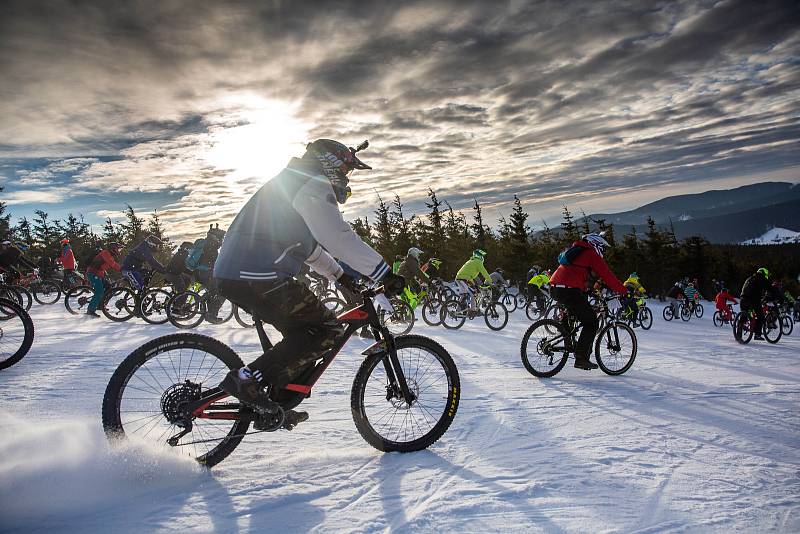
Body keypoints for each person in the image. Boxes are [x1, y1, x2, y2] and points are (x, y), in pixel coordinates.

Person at [212, 138, 404, 426]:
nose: (346, 178)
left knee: (303, 338)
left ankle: (274, 405)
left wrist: (340, 276)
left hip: (240, 273)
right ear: (333, 164)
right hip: (257, 273)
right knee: (326, 329)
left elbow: (308, 248)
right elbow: (336, 235)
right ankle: (245, 381)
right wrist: (383, 274)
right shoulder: (310, 182)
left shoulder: (292, 183)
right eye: (347, 171)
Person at [549, 233, 627, 370]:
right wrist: (623, 291)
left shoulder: (575, 251)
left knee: (574, 313)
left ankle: (567, 340)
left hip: (555, 288)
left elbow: (576, 274)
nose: (602, 251)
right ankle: (581, 358)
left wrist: (586, 290)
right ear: (596, 244)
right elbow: (607, 274)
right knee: (591, 323)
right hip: (569, 290)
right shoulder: (591, 253)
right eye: (602, 247)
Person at [185, 225, 226, 322]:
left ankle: (209, 312)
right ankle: (211, 315)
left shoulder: (207, 244)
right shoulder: (210, 246)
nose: (222, 240)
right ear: (215, 237)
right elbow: (214, 262)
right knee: (220, 291)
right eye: (221, 237)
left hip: (200, 272)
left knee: (211, 291)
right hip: (205, 272)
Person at [85, 242, 122, 317]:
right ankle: (90, 310)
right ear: (113, 249)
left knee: (109, 287)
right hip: (93, 274)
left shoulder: (110, 255)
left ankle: (100, 305)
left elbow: (109, 265)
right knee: (99, 292)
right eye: (117, 249)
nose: (119, 251)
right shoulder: (105, 253)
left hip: (99, 274)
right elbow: (112, 264)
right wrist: (122, 269)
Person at [739, 267, 771, 340]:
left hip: (743, 298)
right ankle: (757, 335)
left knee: (743, 316)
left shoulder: (749, 278)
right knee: (761, 316)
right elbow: (770, 288)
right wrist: (775, 296)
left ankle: (738, 335)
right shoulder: (761, 278)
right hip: (753, 300)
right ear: (764, 273)